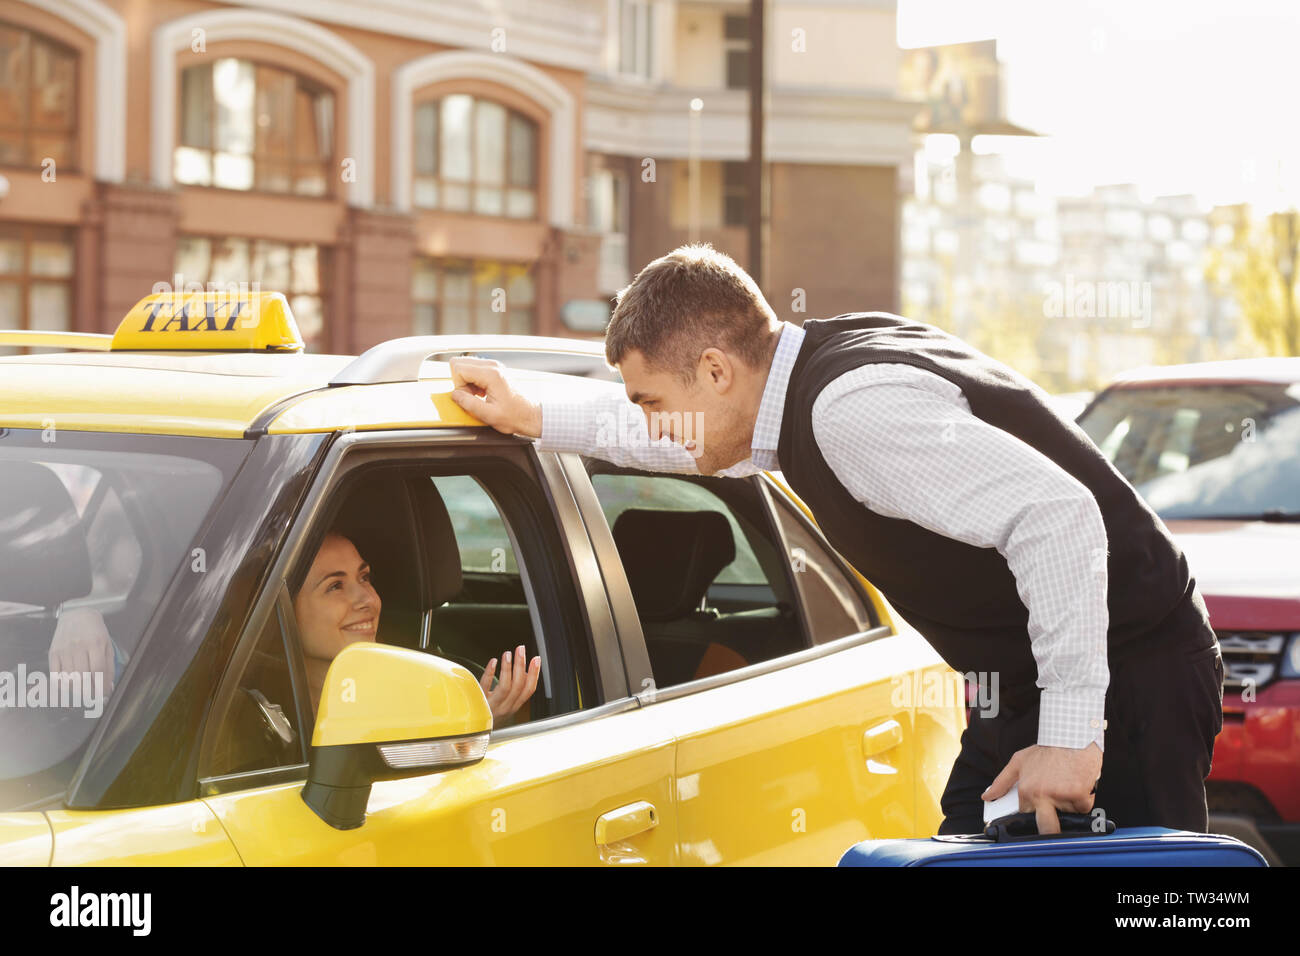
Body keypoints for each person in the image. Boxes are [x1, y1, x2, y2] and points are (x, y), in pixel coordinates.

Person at [447, 242, 1224, 836]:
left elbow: (1059, 517)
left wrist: (1070, 736)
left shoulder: (848, 413)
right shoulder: (798, 380)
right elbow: (681, 437)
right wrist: (537, 416)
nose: (654, 424)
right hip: (1032, 686)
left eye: (653, 400)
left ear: (716, 370)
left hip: (1127, 682)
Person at [293, 530, 541, 726]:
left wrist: (474, 731)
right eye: (335, 586)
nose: (369, 599)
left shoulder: (429, 696)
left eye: (364, 578)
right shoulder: (260, 715)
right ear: (284, 606)